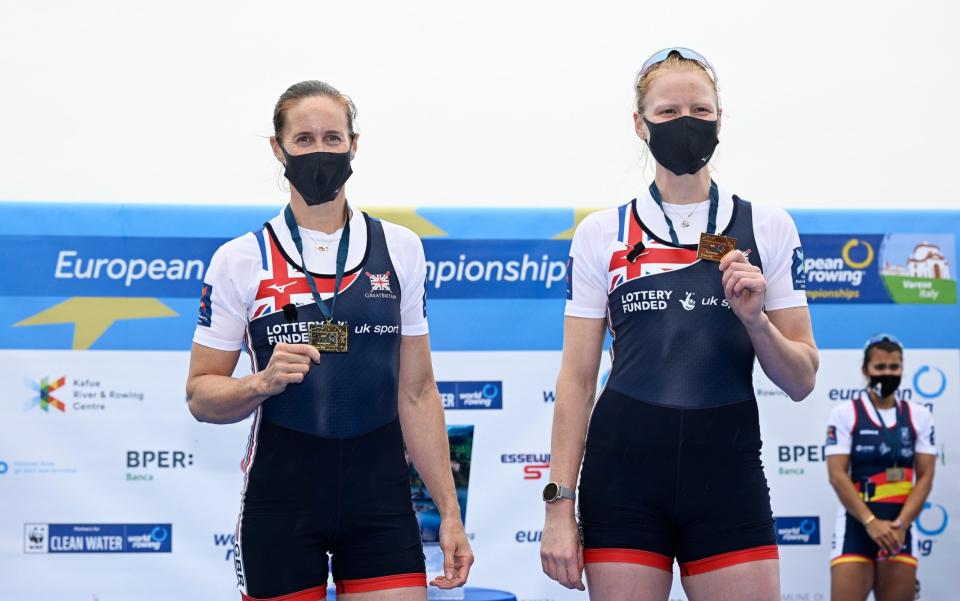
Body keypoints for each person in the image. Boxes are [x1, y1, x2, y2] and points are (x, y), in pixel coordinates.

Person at [540, 48, 818, 601]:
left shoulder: (767, 226)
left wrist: (757, 321)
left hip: (727, 474)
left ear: (720, 119)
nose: (685, 122)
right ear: (639, 125)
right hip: (623, 479)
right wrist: (557, 506)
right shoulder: (603, 233)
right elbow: (575, 381)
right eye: (668, 113)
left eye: (700, 109)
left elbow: (802, 379)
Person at [186, 80, 473, 601]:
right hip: (281, 504)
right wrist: (261, 383)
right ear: (278, 149)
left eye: (332, 138)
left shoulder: (400, 248)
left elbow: (418, 393)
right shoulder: (240, 259)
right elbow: (201, 396)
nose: (320, 151)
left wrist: (450, 514)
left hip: (380, 502)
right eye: (303, 139)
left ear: (354, 145)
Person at [826, 334, 936, 601]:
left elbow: (926, 477)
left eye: (894, 368)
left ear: (902, 369)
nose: (887, 373)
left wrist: (900, 525)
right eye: (880, 368)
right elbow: (837, 475)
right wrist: (871, 522)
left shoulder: (919, 415)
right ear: (865, 370)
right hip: (857, 525)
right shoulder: (845, 413)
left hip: (901, 528)